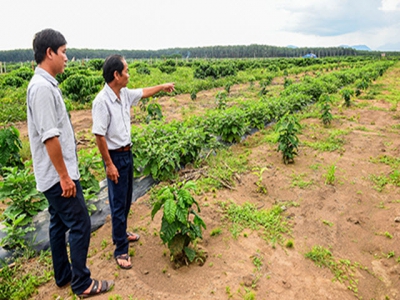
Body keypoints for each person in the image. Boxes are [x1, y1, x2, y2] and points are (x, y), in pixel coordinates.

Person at [26, 28, 114, 297]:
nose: (67, 57)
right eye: (63, 52)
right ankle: (82, 283)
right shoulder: (41, 88)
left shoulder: (45, 84)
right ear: (49, 53)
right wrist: (64, 176)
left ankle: (63, 275)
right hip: (57, 177)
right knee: (80, 224)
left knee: (57, 223)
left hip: (55, 174)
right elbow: (49, 137)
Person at [92, 54, 174, 269]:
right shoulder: (101, 101)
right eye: (126, 71)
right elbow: (99, 136)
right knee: (118, 204)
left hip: (127, 153)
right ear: (116, 75)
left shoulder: (124, 94)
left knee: (126, 199)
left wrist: (162, 86)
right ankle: (120, 249)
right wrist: (109, 164)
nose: (129, 74)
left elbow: (144, 92)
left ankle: (121, 233)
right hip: (115, 157)